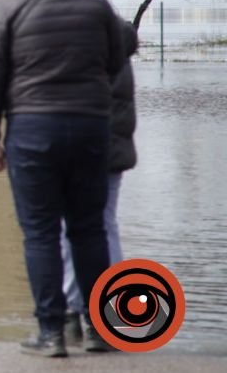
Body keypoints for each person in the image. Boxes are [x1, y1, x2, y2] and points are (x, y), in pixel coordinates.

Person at [0, 0, 124, 357]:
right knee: (88, 228)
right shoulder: (95, 3)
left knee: (40, 233)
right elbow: (116, 59)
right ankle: (97, 329)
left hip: (33, 130)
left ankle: (51, 332)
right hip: (91, 128)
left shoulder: (7, 7)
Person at [61, 19, 139, 345]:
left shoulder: (80, 50)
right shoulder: (120, 49)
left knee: (67, 227)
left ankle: (71, 311)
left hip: (80, 149)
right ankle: (111, 310)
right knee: (106, 226)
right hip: (113, 152)